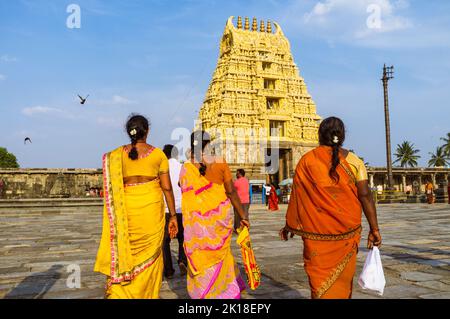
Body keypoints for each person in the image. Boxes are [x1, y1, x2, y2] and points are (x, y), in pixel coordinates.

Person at [279, 116, 382, 299]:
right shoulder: (355, 162)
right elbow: (365, 195)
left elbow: (298, 196)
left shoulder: (307, 161)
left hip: (316, 234)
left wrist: (291, 224)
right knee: (342, 281)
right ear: (342, 136)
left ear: (319, 135)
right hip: (347, 232)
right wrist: (374, 229)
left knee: (320, 284)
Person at [94, 114, 178, 299]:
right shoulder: (158, 155)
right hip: (151, 215)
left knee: (127, 253)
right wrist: (173, 216)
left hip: (127, 214)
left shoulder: (116, 156)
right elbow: (167, 188)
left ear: (129, 132)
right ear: (147, 131)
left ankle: (120, 293)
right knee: (152, 258)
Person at [179, 130, 249, 299]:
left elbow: (185, 191)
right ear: (208, 144)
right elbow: (231, 192)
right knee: (221, 257)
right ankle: (225, 295)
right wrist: (243, 216)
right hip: (219, 222)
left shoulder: (186, 167)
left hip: (197, 227)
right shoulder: (220, 162)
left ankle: (204, 294)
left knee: (203, 258)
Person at [162, 144, 188, 279]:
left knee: (164, 241)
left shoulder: (161, 168)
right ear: (176, 155)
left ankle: (168, 269)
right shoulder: (183, 168)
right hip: (182, 208)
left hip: (167, 209)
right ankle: (182, 261)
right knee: (183, 238)